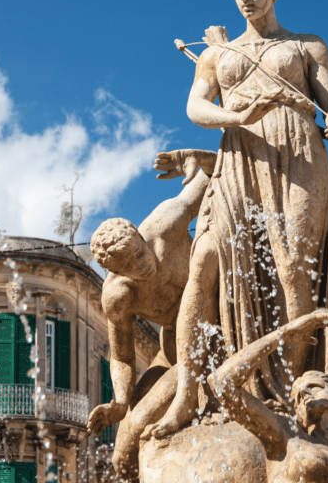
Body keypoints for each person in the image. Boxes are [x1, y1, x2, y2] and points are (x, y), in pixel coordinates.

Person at [146, 0, 328, 440]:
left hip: (300, 155)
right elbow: (196, 105)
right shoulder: (219, 55)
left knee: (294, 270)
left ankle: (291, 393)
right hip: (240, 157)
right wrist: (235, 119)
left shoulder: (307, 45)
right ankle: (187, 394)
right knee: (207, 261)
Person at [87, 149, 216, 476]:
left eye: (138, 252)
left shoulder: (167, 221)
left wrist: (193, 160)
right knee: (128, 434)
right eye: (127, 265)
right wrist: (118, 401)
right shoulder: (118, 297)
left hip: (219, 320)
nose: (140, 265)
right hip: (174, 345)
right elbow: (122, 356)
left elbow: (216, 172)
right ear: (113, 271)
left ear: (139, 235)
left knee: (138, 425)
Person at [206, 310, 328, 483]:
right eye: (297, 400)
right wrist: (284, 333)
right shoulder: (286, 435)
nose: (303, 394)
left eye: (314, 387)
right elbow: (221, 382)